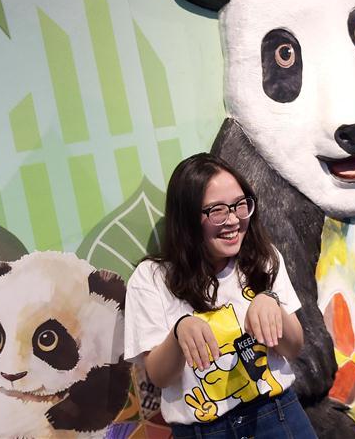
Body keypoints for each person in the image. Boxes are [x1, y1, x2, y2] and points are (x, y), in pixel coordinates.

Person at [124, 153, 317, 438]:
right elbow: (159, 376)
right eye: (217, 211)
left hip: (277, 416)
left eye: (240, 205)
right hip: (203, 431)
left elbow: (293, 347)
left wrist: (271, 302)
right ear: (188, 217)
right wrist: (179, 334)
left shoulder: (263, 260)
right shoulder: (151, 278)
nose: (233, 220)